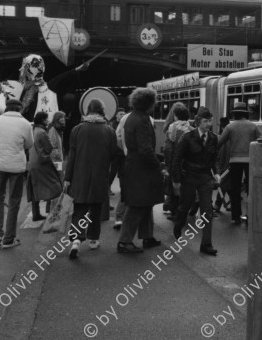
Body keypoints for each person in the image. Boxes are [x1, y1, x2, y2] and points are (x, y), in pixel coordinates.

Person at [64, 98, 117, 259]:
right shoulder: (109, 131)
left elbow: (71, 155)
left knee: (79, 208)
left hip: (79, 175)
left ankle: (76, 241)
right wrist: (110, 178)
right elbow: (113, 156)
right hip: (99, 176)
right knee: (95, 209)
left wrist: (67, 178)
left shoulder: (77, 129)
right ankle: (93, 240)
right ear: (102, 111)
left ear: (87, 111)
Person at [0, 99, 34, 248]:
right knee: (14, 201)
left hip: (1, 166)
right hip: (17, 167)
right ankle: (9, 238)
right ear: (20, 109)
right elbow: (30, 144)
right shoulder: (25, 123)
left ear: (7, 108)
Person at [117, 88, 164, 254]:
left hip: (133, 164)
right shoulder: (143, 120)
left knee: (145, 203)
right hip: (142, 169)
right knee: (137, 205)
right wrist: (157, 163)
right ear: (149, 103)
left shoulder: (131, 118)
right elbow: (145, 149)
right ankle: (124, 241)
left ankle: (147, 236)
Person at [172, 106, 221, 255]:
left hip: (206, 178)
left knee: (207, 211)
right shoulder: (187, 137)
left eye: (210, 121)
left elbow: (215, 159)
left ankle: (206, 244)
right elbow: (177, 159)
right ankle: (178, 226)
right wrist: (177, 179)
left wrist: (217, 173)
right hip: (190, 177)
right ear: (198, 122)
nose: (209, 124)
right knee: (185, 206)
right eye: (206, 121)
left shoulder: (213, 138)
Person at [217, 102, 262, 224]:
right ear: (245, 114)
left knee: (235, 189)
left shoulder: (230, 127)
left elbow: (219, 142)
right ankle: (249, 215)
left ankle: (236, 217)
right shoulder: (253, 126)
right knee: (250, 189)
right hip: (250, 161)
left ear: (235, 114)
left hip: (234, 161)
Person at [27, 111, 63, 222]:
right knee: (56, 187)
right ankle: (53, 214)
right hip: (42, 163)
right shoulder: (42, 132)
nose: (48, 121)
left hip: (32, 162)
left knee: (34, 188)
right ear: (43, 120)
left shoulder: (33, 130)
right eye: (46, 119)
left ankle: (36, 213)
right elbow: (49, 148)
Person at [163, 103, 193, 221]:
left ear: (175, 116)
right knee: (186, 187)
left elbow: (167, 148)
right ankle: (185, 210)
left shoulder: (172, 127)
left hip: (175, 162)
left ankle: (176, 213)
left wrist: (168, 161)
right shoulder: (191, 128)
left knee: (174, 186)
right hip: (188, 163)